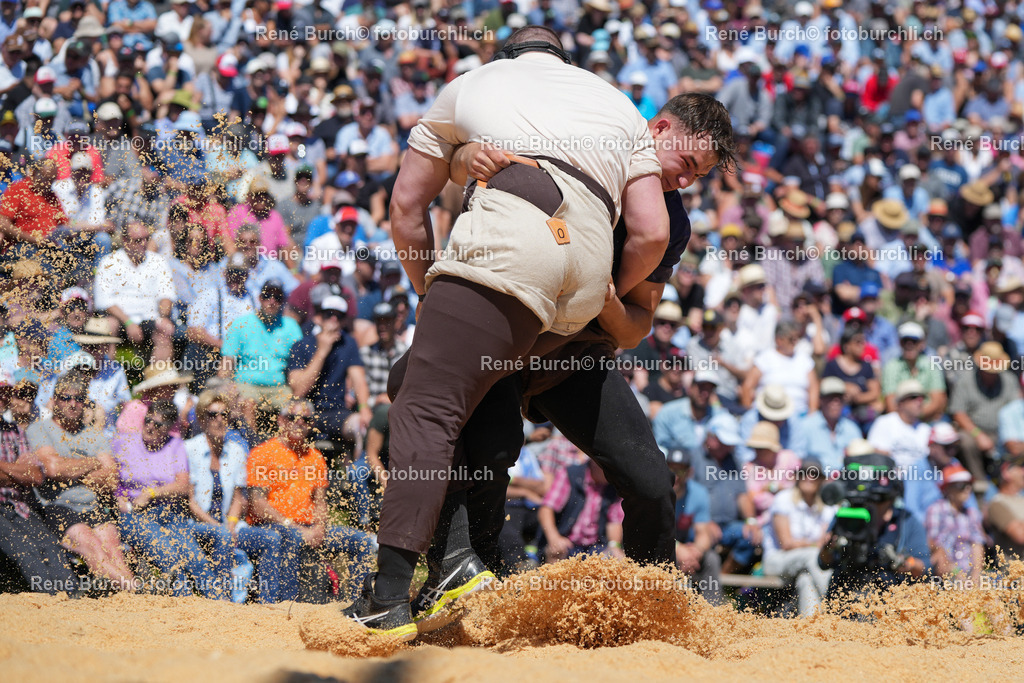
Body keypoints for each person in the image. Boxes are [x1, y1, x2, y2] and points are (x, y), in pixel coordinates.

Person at [343, 25, 671, 638]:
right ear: (564, 63)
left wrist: (429, 293)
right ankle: (465, 563)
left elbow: (407, 210)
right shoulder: (617, 101)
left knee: (425, 407)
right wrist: (600, 283)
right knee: (447, 393)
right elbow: (651, 232)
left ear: (506, 59)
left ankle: (388, 596)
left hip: (518, 231)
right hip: (589, 269)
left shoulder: (471, 84)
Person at [246, 399, 377, 603]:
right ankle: (284, 608)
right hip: (276, 525)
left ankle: (358, 606)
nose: (300, 423)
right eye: (293, 417)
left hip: (310, 526)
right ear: (281, 420)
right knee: (291, 537)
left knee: (361, 542)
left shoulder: (315, 457)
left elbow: (321, 501)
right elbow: (257, 503)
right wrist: (295, 527)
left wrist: (320, 527)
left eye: (305, 419)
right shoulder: (262, 453)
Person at [27, 373, 135, 590]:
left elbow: (112, 479)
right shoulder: (39, 429)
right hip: (57, 508)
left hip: (91, 506)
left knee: (115, 552)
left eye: (78, 399)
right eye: (66, 398)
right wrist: (94, 462)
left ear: (85, 402)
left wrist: (71, 471)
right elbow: (53, 468)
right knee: (93, 547)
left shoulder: (94, 435)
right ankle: (136, 592)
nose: (73, 404)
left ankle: (131, 597)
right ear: (55, 400)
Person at [114, 400, 230, 599]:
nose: (150, 426)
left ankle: (223, 606)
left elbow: (183, 486)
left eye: (158, 424)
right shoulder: (122, 443)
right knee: (169, 556)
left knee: (197, 559)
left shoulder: (174, 445)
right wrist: (120, 502)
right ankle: (184, 608)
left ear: (168, 428)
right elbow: (111, 479)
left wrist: (151, 493)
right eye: (148, 420)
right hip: (135, 516)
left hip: (169, 515)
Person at [185, 390, 283, 604]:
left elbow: (239, 497)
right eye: (213, 415)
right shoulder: (190, 449)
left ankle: (270, 604)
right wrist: (219, 528)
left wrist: (229, 524)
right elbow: (190, 501)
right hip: (198, 524)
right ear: (202, 419)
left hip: (228, 525)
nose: (219, 420)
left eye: (224, 414)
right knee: (222, 537)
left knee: (271, 538)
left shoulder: (237, 450)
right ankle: (224, 604)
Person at [0, 374, 79, 594]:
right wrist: (17, 468)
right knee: (24, 549)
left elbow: (35, 476)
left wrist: (4, 468)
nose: (2, 398)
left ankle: (73, 599)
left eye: (6, 393)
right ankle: (50, 601)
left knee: (50, 545)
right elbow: (26, 474)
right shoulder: (17, 432)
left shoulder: (15, 430)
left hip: (19, 506)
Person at [219, 279, 302, 431]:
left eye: (277, 297)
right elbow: (227, 362)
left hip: (279, 387)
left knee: (296, 410)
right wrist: (225, 385)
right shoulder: (240, 324)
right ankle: (251, 448)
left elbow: (300, 362)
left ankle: (285, 452)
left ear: (282, 301)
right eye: (267, 295)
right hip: (247, 384)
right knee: (247, 403)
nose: (272, 301)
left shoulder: (291, 326)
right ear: (259, 298)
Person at [93, 221, 176, 365]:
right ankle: (106, 377)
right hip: (120, 319)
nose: (144, 243)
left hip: (150, 318)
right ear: (125, 241)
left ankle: (158, 381)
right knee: (109, 326)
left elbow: (166, 295)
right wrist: (128, 322)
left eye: (146, 238)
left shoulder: (158, 261)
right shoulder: (109, 262)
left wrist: (163, 317)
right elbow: (104, 301)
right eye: (138, 240)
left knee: (165, 329)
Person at [762, 459, 836, 617]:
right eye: (804, 473)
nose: (809, 477)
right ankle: (837, 605)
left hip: (807, 564)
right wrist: (813, 545)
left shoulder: (827, 505)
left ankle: (811, 631)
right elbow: (786, 543)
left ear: (821, 480)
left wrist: (810, 544)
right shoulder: (783, 499)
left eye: (815, 475)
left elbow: (823, 544)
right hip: (776, 560)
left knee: (806, 580)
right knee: (813, 557)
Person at [537, 459, 624, 562]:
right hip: (566, 542)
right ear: (595, 463)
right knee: (556, 552)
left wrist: (614, 546)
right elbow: (546, 509)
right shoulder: (571, 474)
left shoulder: (613, 486)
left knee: (614, 559)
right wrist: (554, 537)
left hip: (595, 547)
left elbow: (614, 522)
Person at [665, 448, 721, 606]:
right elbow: (651, 533)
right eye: (670, 469)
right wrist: (677, 549)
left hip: (687, 553)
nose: (675, 476)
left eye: (680, 471)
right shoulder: (655, 493)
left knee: (711, 559)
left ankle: (713, 614)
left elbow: (703, 533)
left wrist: (696, 551)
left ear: (689, 472)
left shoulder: (698, 493)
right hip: (661, 548)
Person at [924, 464, 985, 587]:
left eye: (969, 485)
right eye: (961, 485)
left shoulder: (972, 513)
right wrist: (955, 572)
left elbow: (977, 544)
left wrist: (976, 575)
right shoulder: (936, 510)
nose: (967, 489)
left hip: (968, 573)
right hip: (944, 573)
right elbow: (932, 543)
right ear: (948, 488)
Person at [987, 456, 1024, 561]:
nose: (1023, 471)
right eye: (1019, 467)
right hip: (1015, 574)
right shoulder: (996, 504)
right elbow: (1020, 535)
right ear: (1006, 473)